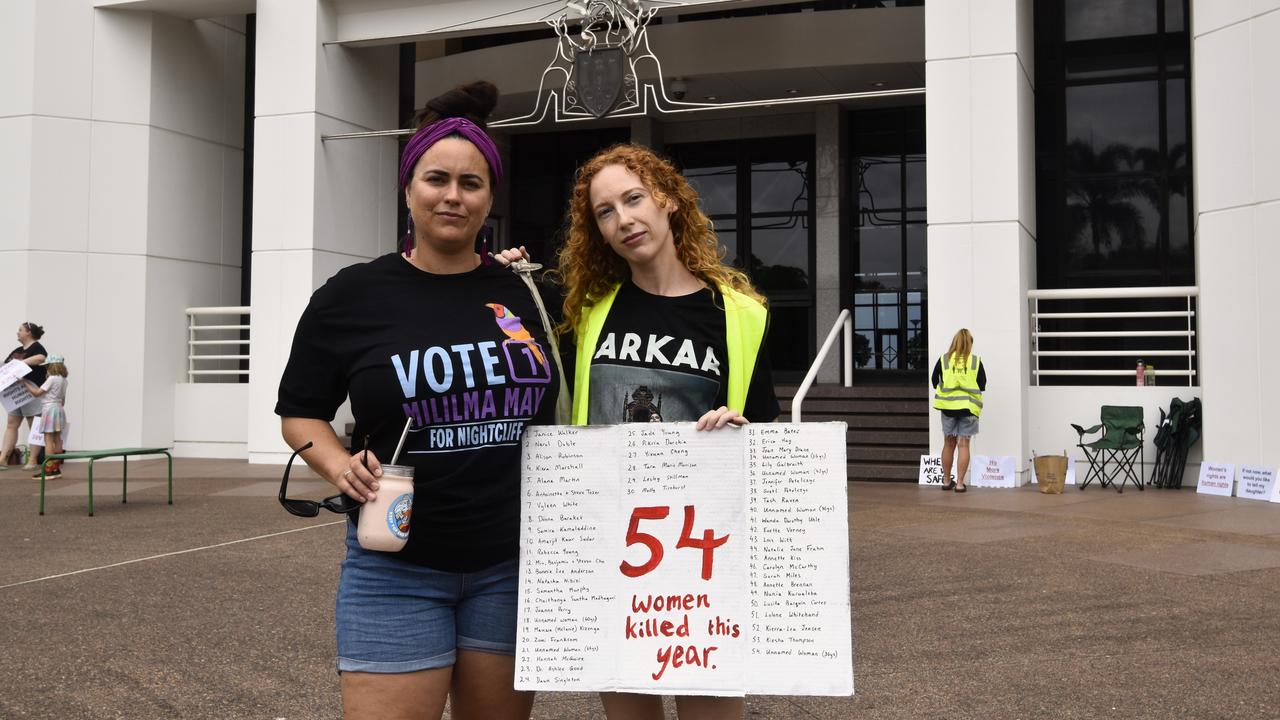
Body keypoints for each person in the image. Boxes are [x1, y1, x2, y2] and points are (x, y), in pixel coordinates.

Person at [275, 81, 556, 720]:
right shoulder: (353, 295)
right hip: (395, 566)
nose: (453, 195)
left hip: (512, 566)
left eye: (472, 183)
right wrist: (337, 463)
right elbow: (300, 412)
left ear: (490, 198)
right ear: (408, 188)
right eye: (436, 179)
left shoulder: (532, 296)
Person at [559, 143, 779, 720]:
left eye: (634, 199)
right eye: (605, 212)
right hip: (609, 546)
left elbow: (763, 430)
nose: (624, 219)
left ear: (669, 202)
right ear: (598, 232)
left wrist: (740, 428)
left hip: (702, 552)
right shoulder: (584, 311)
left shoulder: (739, 315)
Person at [931, 328, 986, 492]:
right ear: (970, 343)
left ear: (954, 342)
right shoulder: (975, 361)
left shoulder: (944, 360)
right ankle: (960, 484)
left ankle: (947, 482)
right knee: (963, 445)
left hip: (948, 408)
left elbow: (934, 381)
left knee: (948, 444)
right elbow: (982, 384)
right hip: (968, 409)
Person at [2, 322, 48, 471]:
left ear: (28, 332)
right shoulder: (17, 350)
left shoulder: (37, 347)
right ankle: (3, 458)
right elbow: (6, 366)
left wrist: (20, 364)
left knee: (33, 423)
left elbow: (41, 358)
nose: (17, 332)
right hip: (15, 393)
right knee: (11, 424)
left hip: (30, 391)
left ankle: (33, 459)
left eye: (20, 330)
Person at [23, 354, 68, 479]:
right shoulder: (64, 380)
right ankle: (56, 468)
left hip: (49, 409)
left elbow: (37, 393)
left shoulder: (52, 378)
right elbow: (63, 401)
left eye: (47, 366)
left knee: (48, 439)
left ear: (51, 366)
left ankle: (48, 470)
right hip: (59, 409)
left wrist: (25, 382)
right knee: (58, 439)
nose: (46, 368)